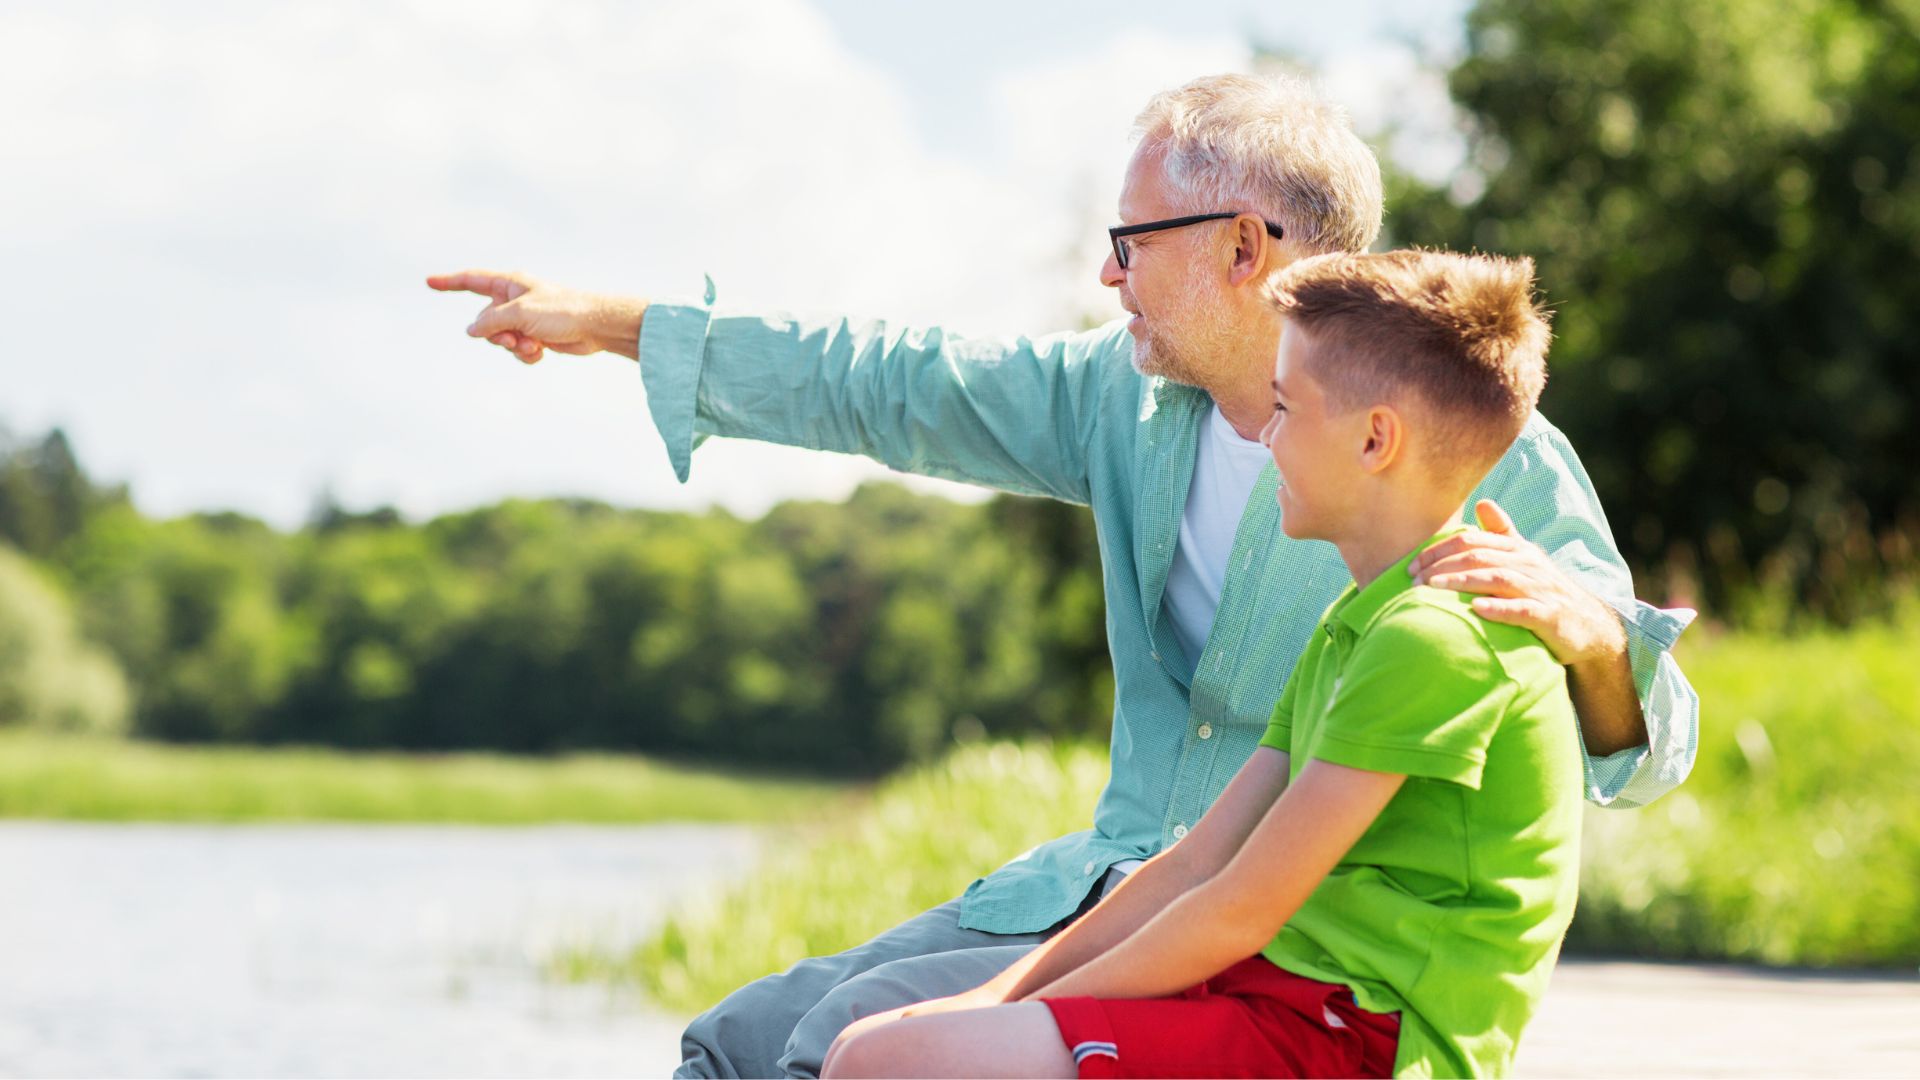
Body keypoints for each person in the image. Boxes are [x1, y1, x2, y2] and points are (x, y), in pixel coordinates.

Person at [427, 73, 1698, 1080]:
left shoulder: (1473, 446)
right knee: (737, 1044)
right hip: (1109, 885)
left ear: (1245, 246)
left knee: (849, 1048)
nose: (1107, 275)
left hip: (1300, 956)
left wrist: (1594, 641)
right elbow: (890, 380)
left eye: (1131, 240)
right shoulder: (1120, 400)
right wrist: (619, 324)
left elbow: (1650, 751)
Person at [821, 248, 1580, 1079]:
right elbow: (1193, 863)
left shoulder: (1436, 639)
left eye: (1287, 408)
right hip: (1283, 997)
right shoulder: (1361, 620)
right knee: (886, 1043)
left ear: (1375, 438)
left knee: (888, 1063)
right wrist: (990, 1003)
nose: (1262, 432)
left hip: (1356, 1041)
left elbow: (1237, 907)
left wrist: (1013, 1019)